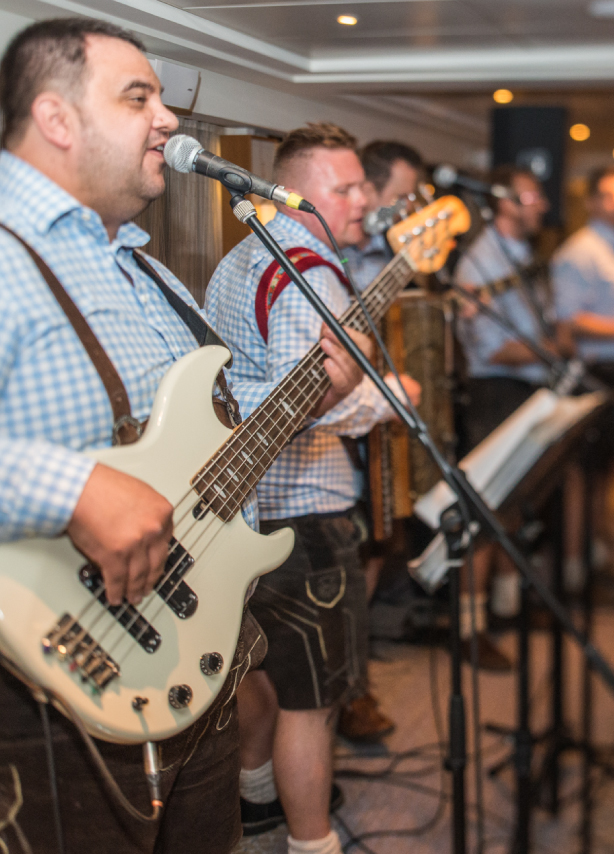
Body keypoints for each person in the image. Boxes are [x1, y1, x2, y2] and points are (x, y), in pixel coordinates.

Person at [0, 21, 367, 854]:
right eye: (139, 98)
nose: (168, 120)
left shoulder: (149, 272)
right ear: (56, 118)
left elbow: (222, 419)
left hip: (186, 665)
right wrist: (73, 488)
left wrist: (316, 385)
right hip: (46, 683)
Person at [205, 122, 420, 854]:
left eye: (362, 185)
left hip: (245, 514)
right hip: (305, 513)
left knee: (259, 672)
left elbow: (244, 386)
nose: (363, 200)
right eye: (346, 187)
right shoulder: (311, 276)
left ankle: (262, 799)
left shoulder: (241, 256)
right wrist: (390, 395)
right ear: (297, 192)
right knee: (314, 701)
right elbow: (309, 401)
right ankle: (312, 840)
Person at [455, 165, 551, 670]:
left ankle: (508, 607)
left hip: (524, 388)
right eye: (532, 197)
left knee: (515, 506)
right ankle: (469, 630)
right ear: (504, 202)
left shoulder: (519, 252)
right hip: (495, 391)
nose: (543, 205)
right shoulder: (481, 261)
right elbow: (491, 348)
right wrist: (557, 348)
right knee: (486, 510)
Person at [551, 165, 614, 573]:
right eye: (608, 195)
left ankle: (598, 553)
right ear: (591, 201)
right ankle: (575, 565)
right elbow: (568, 321)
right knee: (582, 473)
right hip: (594, 370)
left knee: (604, 473)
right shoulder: (579, 251)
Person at [344, 140, 423, 292]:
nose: (408, 207)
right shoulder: (332, 241)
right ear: (367, 192)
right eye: (401, 197)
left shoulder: (393, 245)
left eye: (410, 198)